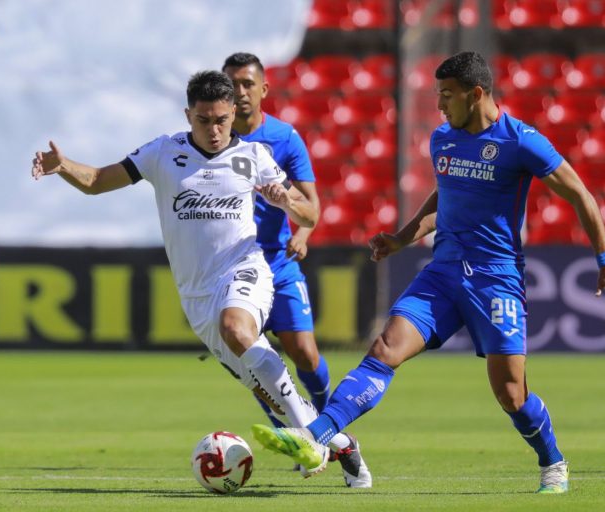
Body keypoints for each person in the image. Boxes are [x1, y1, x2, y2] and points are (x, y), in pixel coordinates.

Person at [251, 52, 605, 494]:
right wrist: (402, 238)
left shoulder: (521, 141)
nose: (440, 104)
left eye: (447, 95)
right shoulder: (443, 139)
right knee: (385, 349)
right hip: (443, 274)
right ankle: (314, 436)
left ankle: (553, 462)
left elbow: (581, 194)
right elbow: (444, 197)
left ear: (476, 94)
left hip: (495, 278)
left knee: (511, 394)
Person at [31, 70, 370, 487]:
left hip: (244, 269)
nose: (213, 130)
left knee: (237, 328)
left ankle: (312, 440)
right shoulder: (162, 152)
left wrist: (286, 201)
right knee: (265, 389)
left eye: (221, 121)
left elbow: (310, 214)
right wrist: (63, 165)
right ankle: (343, 444)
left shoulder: (254, 156)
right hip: (196, 297)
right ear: (187, 115)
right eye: (203, 120)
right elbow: (98, 182)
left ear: (232, 115)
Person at [221, 52, 330, 421]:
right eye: (232, 84)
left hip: (277, 262)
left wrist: (303, 233)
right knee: (252, 359)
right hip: (232, 267)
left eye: (247, 84)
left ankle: (328, 417)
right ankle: (290, 432)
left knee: (305, 354)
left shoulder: (284, 138)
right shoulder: (212, 141)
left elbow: (311, 204)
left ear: (264, 89)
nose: (240, 91)